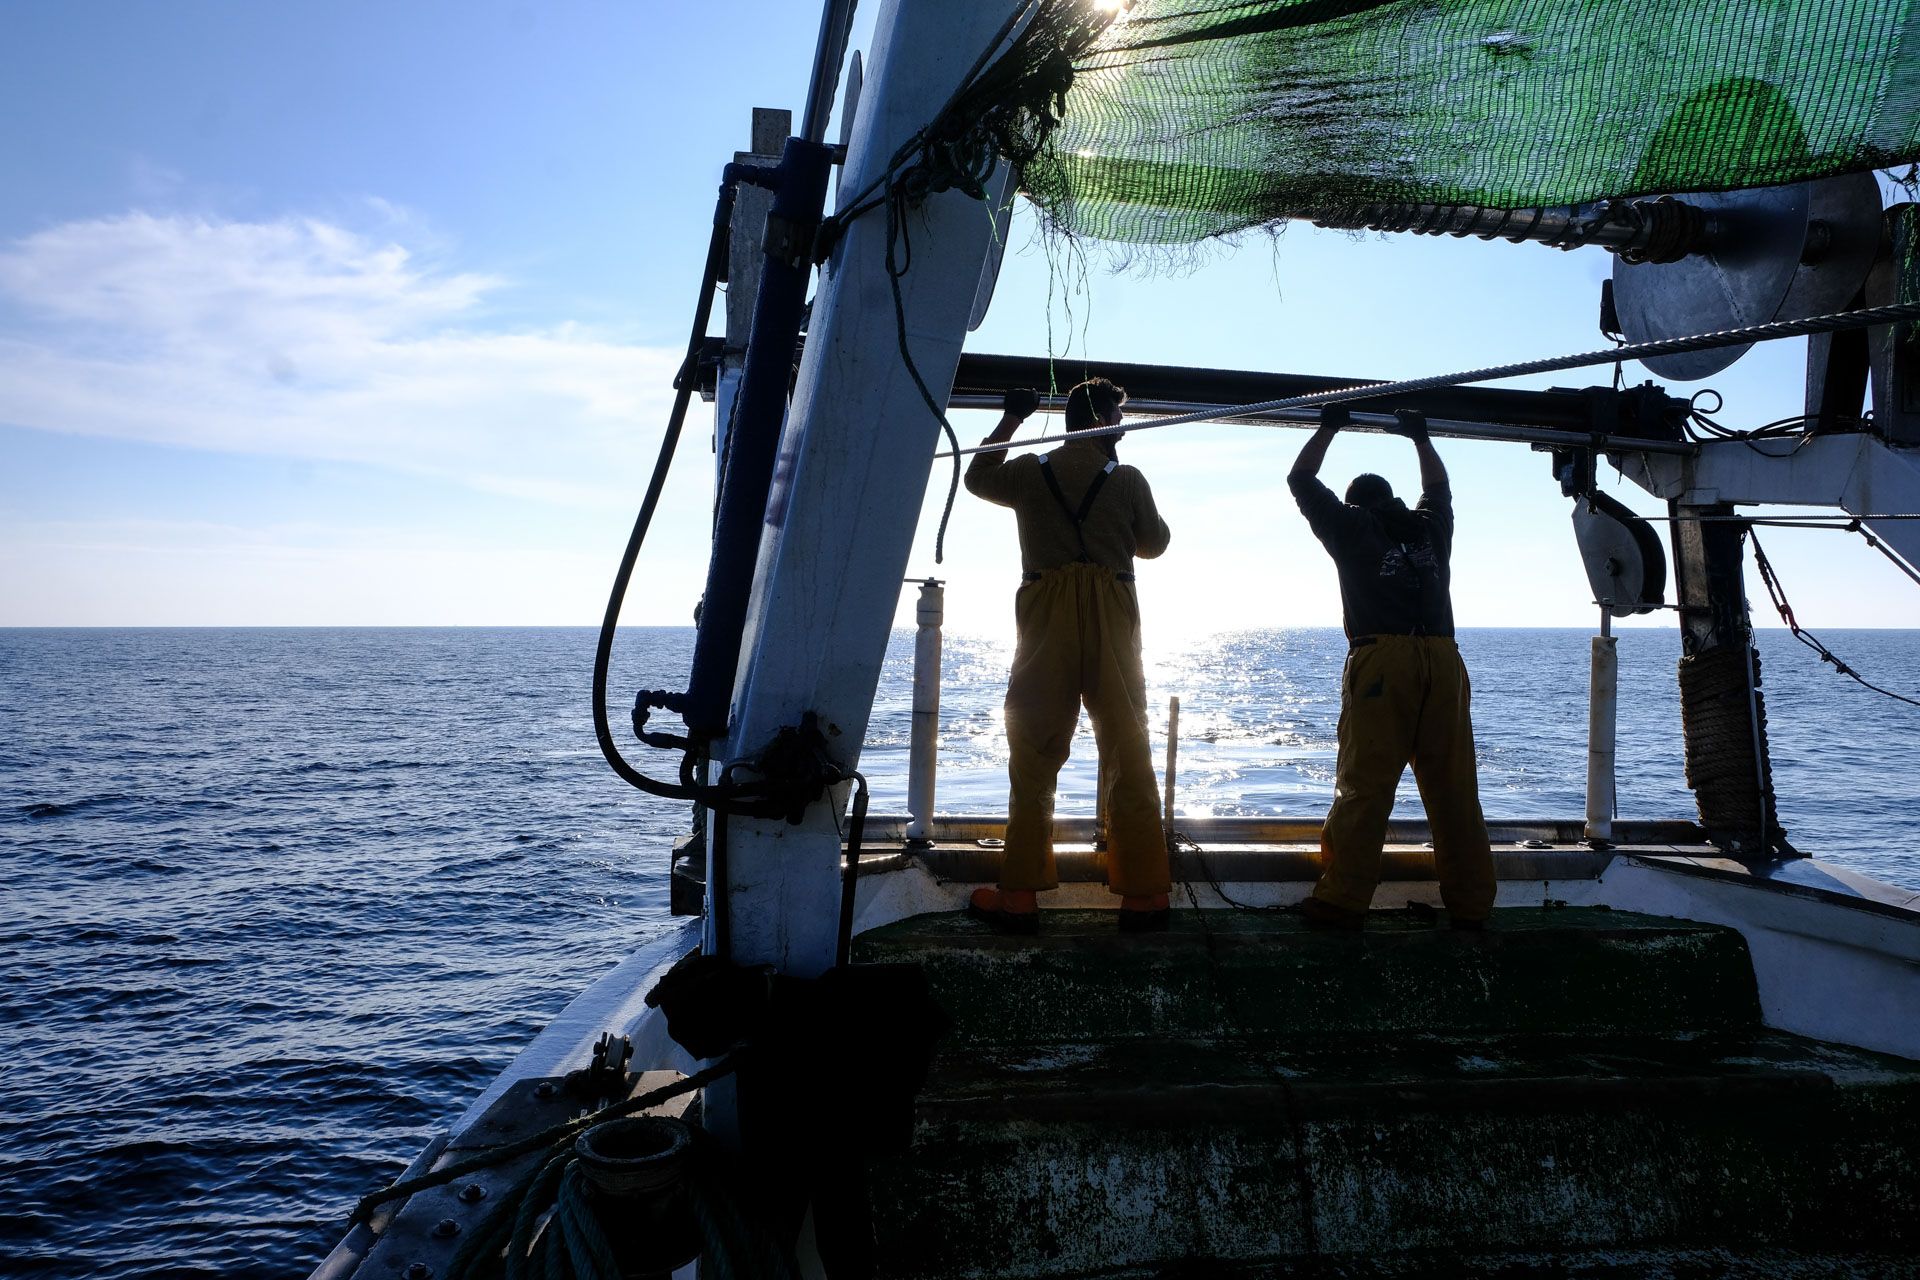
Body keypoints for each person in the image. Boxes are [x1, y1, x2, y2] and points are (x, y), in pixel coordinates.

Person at [963, 378, 1174, 933]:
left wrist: (1010, 420)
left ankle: (1020, 898)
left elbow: (976, 477)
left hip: (1045, 606)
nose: (1122, 428)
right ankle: (1145, 897)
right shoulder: (1127, 479)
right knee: (1128, 747)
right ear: (1103, 420)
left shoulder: (1031, 472)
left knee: (1032, 751)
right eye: (1117, 418)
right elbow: (1153, 544)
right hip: (1111, 608)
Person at [1287, 405, 1496, 930]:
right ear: (1392, 498)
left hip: (1384, 663)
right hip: (1445, 662)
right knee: (1454, 791)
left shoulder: (1351, 527)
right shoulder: (1430, 528)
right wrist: (1420, 436)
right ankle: (1472, 905)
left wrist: (1330, 424)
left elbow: (1301, 478)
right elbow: (1439, 487)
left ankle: (1343, 900)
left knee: (1365, 787)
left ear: (1357, 503)